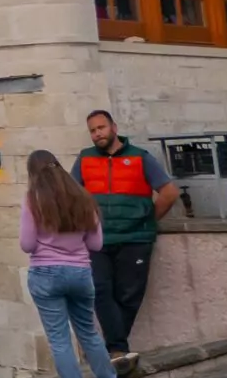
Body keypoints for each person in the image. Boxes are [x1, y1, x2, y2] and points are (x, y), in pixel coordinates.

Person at [23, 149, 123, 378]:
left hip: (45, 273)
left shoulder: (33, 200)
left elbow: (27, 244)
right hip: (80, 272)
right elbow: (96, 244)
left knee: (59, 340)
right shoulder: (83, 198)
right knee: (89, 332)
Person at [73, 111, 179, 357]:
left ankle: (114, 349)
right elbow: (71, 194)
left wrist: (149, 219)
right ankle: (117, 349)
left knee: (129, 294)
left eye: (101, 127)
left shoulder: (140, 158)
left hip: (135, 239)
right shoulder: (84, 159)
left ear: (114, 127)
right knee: (100, 289)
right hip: (98, 239)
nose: (97, 133)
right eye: (92, 130)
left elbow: (169, 192)